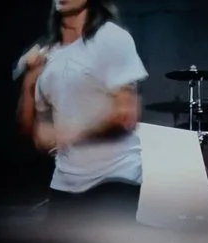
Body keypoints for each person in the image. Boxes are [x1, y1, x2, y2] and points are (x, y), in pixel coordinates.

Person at [16, 0, 146, 217]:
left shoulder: (111, 38)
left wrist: (73, 133)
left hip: (114, 177)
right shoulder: (50, 56)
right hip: (65, 181)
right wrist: (30, 77)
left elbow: (126, 115)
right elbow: (28, 128)